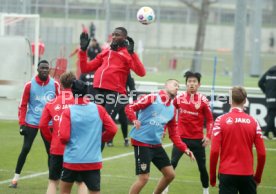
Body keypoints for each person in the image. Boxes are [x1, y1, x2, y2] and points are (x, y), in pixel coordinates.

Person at [125, 79, 195, 194]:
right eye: (175, 85)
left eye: (178, 87)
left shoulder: (172, 109)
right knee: (144, 178)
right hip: (141, 142)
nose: (177, 88)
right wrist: (134, 119)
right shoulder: (152, 98)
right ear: (166, 85)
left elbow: (174, 134)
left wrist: (185, 149)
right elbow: (129, 107)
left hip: (156, 145)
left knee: (170, 174)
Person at [78, 27, 146, 131]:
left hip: (114, 92)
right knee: (95, 123)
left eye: (117, 35)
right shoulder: (106, 51)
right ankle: (93, 146)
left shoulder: (127, 53)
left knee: (103, 125)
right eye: (113, 34)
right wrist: (83, 51)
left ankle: (99, 144)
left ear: (125, 38)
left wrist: (132, 53)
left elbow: (141, 73)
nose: (113, 37)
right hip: (98, 90)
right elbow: (85, 68)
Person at [59, 80, 118, 194]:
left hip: (72, 160)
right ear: (87, 92)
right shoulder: (99, 109)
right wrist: (102, 138)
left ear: (72, 92)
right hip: (92, 161)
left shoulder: (68, 111)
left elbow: (64, 137)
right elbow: (113, 129)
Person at [9, 60, 60, 188]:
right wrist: (22, 124)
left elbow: (59, 104)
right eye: (42, 68)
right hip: (32, 122)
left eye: (46, 68)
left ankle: (52, 181)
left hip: (48, 124)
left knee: (51, 152)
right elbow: (23, 105)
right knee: (25, 149)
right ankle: (15, 179)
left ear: (49, 70)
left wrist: (57, 122)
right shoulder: (29, 85)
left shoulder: (55, 85)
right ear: (37, 69)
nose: (44, 70)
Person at [210, 86, 266, 194]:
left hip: (226, 173)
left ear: (230, 100)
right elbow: (262, 154)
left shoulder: (219, 120)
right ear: (245, 101)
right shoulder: (254, 121)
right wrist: (257, 177)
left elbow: (214, 151)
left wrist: (212, 177)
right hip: (247, 174)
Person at [40, 72, 87, 194]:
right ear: (74, 84)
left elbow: (42, 125)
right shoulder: (83, 102)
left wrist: (52, 139)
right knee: (81, 182)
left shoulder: (51, 102)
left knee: (53, 181)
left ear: (60, 85)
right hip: (77, 148)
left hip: (57, 148)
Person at [170, 71, 213, 194]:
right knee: (172, 164)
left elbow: (210, 120)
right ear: (186, 84)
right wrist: (165, 129)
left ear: (199, 84)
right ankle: (164, 189)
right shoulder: (178, 98)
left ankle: (205, 191)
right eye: (189, 81)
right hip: (181, 139)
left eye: (194, 81)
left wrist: (208, 136)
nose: (192, 84)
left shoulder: (203, 100)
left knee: (202, 168)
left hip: (197, 140)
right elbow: (170, 113)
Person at [258, 65, 276, 140]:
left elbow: (260, 83)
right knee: (272, 116)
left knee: (271, 115)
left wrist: (266, 92)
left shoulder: (269, 72)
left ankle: (274, 134)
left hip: (269, 98)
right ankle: (265, 134)